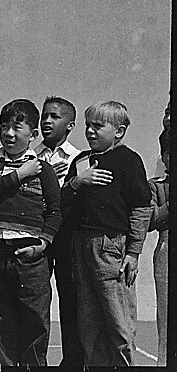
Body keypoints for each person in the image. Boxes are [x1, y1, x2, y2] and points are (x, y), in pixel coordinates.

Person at [62, 101, 152, 366]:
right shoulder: (80, 162)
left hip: (111, 248)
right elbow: (63, 202)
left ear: (119, 131)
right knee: (88, 324)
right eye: (87, 126)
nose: (89, 132)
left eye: (98, 126)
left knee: (117, 321)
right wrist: (78, 182)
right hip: (80, 246)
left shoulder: (128, 159)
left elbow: (140, 207)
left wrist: (133, 252)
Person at [0, 99, 61, 366]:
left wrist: (42, 245)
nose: (9, 133)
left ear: (33, 135)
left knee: (34, 320)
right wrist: (20, 174)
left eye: (17, 127)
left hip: (29, 255)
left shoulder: (43, 169)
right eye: (4, 126)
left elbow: (55, 211)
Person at [34, 96, 82, 366]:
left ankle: (72, 361)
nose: (47, 121)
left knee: (69, 297)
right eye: (44, 116)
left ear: (70, 125)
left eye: (55, 116)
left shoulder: (79, 159)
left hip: (65, 236)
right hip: (34, 231)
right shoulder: (30, 156)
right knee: (36, 299)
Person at [148, 128, 170, 366]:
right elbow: (152, 220)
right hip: (166, 257)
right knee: (167, 321)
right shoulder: (156, 186)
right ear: (163, 157)